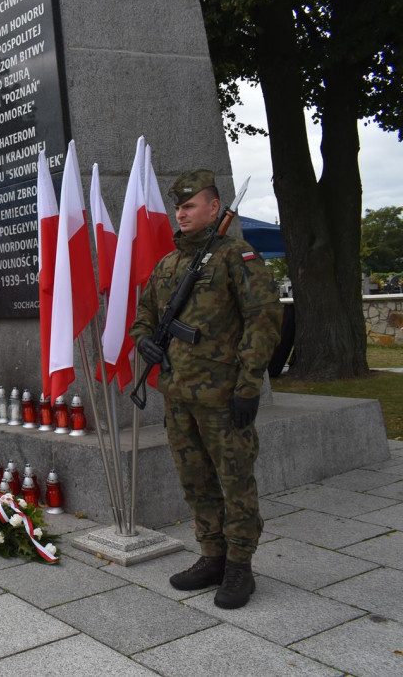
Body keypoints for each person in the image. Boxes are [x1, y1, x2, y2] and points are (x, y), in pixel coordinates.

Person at [130, 169, 282, 610]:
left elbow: (264, 320)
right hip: (177, 396)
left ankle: (240, 566)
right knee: (196, 482)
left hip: (222, 396)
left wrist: (249, 385)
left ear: (215, 208)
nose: (181, 212)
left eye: (190, 204)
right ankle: (212, 554)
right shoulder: (168, 264)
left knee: (235, 482)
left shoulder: (238, 256)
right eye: (178, 206)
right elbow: (145, 315)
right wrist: (144, 341)